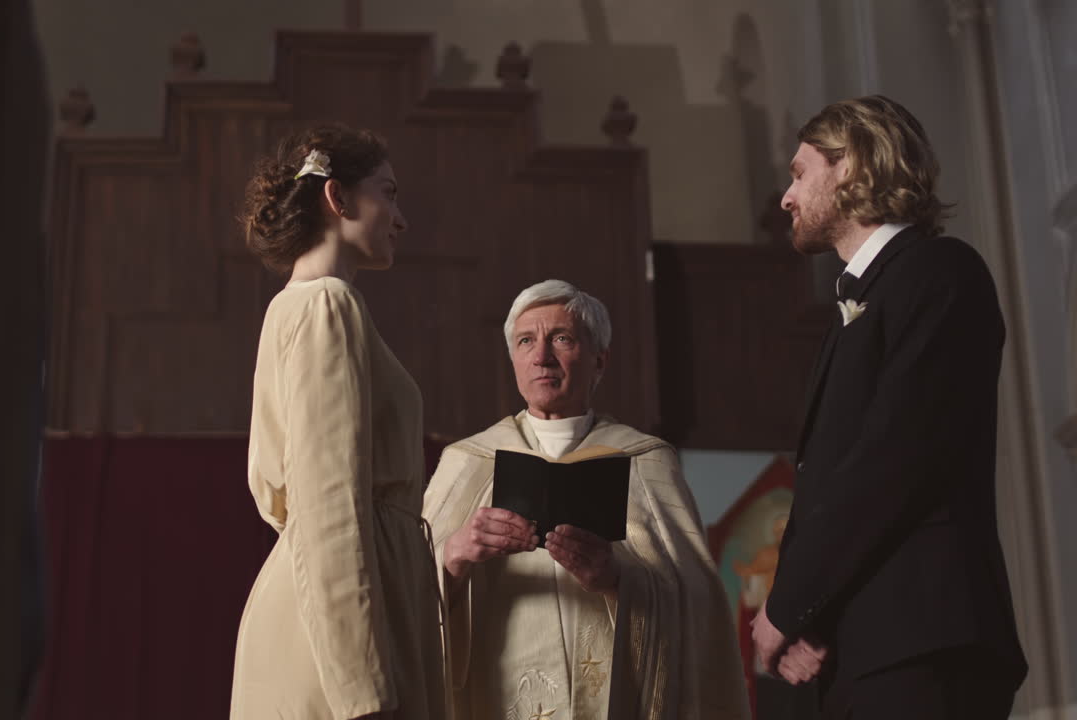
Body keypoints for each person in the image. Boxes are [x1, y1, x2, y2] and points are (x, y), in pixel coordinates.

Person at [750, 95, 1028, 720]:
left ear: (849, 166)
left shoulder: (940, 272)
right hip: (861, 648)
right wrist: (812, 619)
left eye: (798, 173)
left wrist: (789, 605)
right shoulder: (853, 309)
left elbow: (894, 460)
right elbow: (830, 482)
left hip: (926, 638)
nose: (787, 198)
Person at [423, 279, 749, 720]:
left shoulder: (647, 462)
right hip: (494, 695)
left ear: (600, 359)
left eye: (562, 338)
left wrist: (621, 579)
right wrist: (452, 557)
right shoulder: (466, 462)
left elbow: (699, 605)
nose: (542, 356)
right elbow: (405, 592)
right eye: (526, 341)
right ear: (514, 360)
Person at [231, 125, 446, 720]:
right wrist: (362, 689)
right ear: (339, 199)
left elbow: (283, 497)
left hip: (332, 606)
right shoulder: (327, 304)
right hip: (342, 637)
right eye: (389, 193)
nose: (400, 218)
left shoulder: (295, 305)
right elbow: (326, 500)